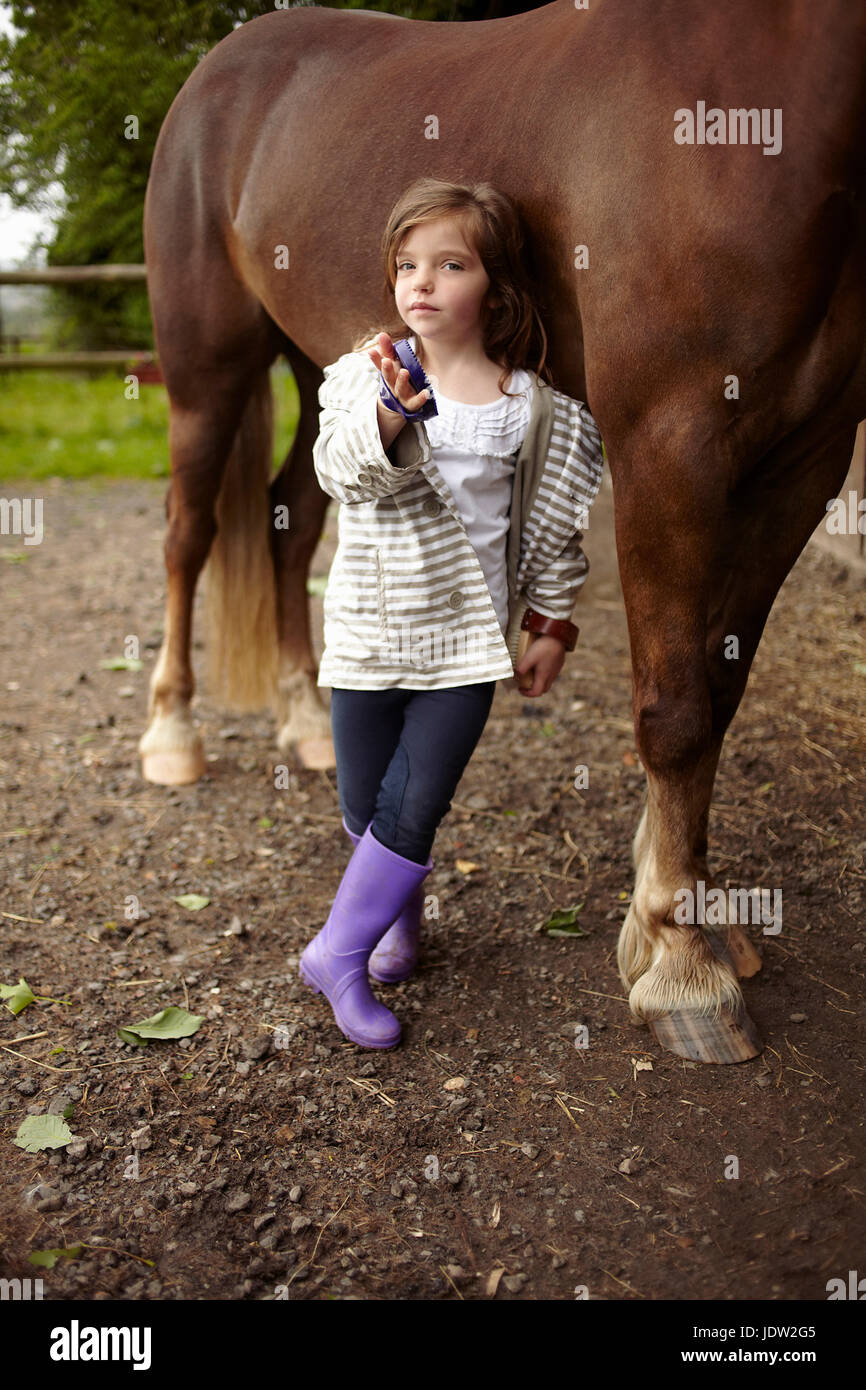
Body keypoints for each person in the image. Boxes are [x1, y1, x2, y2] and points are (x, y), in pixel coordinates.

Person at [299, 177, 604, 1049]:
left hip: (466, 647)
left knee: (416, 802)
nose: (420, 282)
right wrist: (395, 419)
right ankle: (393, 918)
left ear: (495, 288)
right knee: (365, 806)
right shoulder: (369, 378)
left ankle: (338, 954)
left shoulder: (531, 409)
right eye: (406, 264)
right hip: (368, 632)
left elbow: (549, 527)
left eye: (449, 264)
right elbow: (340, 472)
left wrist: (550, 623)